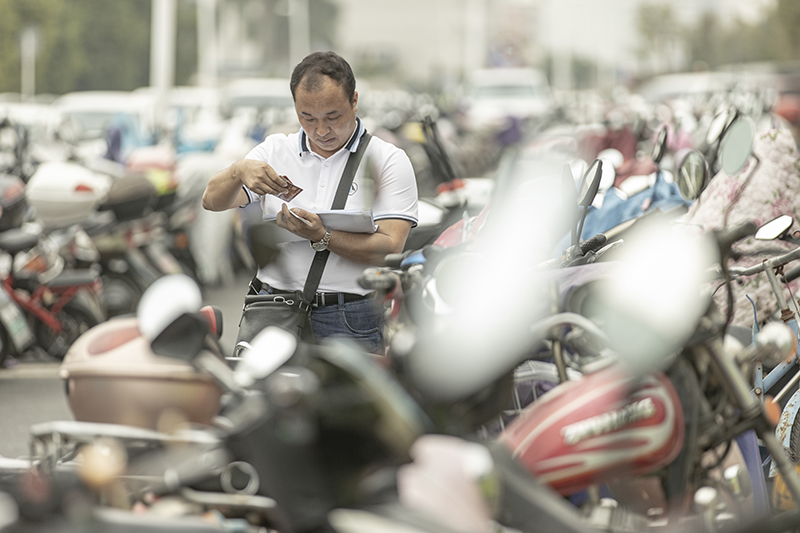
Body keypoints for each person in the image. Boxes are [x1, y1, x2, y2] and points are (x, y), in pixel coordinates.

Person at [202, 51, 418, 353]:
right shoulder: (275, 150)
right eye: (308, 118)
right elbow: (211, 201)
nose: (321, 130)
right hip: (274, 306)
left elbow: (390, 247)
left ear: (354, 101)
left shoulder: (388, 160)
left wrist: (322, 235)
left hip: (350, 314)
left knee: (345, 388)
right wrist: (238, 171)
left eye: (333, 117)